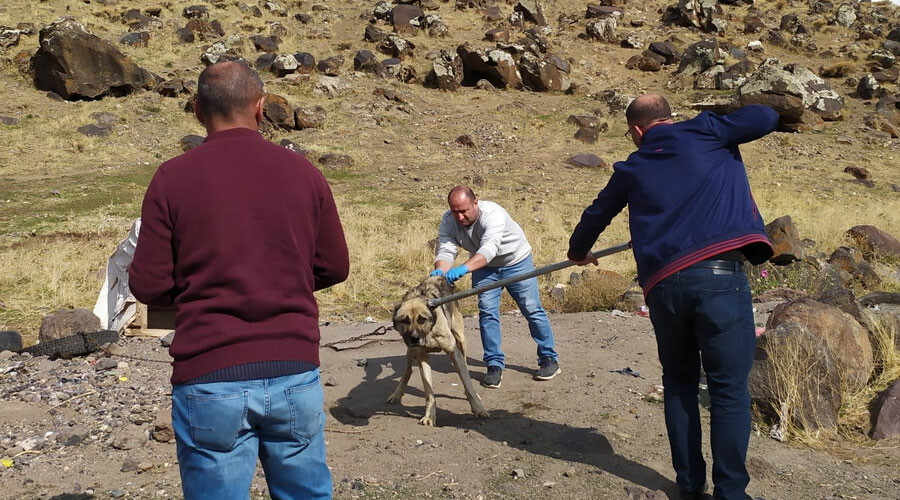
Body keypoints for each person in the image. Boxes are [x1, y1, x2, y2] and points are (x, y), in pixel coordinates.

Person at [128, 61, 349, 500]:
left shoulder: (171, 178)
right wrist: (281, 280)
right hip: (294, 369)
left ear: (196, 111)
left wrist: (199, 290)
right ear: (261, 107)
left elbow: (148, 285)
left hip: (209, 373)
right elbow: (334, 266)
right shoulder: (304, 173)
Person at [566, 94, 778, 500]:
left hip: (664, 288)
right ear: (668, 117)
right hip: (719, 279)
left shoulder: (633, 166)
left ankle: (689, 485)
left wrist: (579, 252)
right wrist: (718, 115)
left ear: (637, 131)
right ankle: (731, 492)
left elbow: (595, 214)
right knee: (728, 390)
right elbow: (766, 116)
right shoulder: (707, 131)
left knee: (679, 384)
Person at [432, 185, 560, 388]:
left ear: (475, 203)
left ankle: (548, 358)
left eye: (464, 211)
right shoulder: (449, 220)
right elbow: (446, 248)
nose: (459, 217)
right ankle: (494, 364)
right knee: (487, 312)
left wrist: (463, 269)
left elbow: (489, 249)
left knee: (532, 309)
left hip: (516, 262)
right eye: (455, 211)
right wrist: (441, 271)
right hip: (485, 268)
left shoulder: (493, 214)